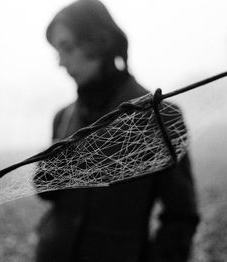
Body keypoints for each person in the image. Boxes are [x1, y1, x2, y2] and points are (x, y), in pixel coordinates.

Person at [35, 1, 200, 261]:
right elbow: (49, 195)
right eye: (57, 51)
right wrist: (47, 172)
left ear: (99, 41)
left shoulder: (159, 117)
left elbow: (181, 217)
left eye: (66, 48)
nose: (61, 62)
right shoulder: (62, 117)